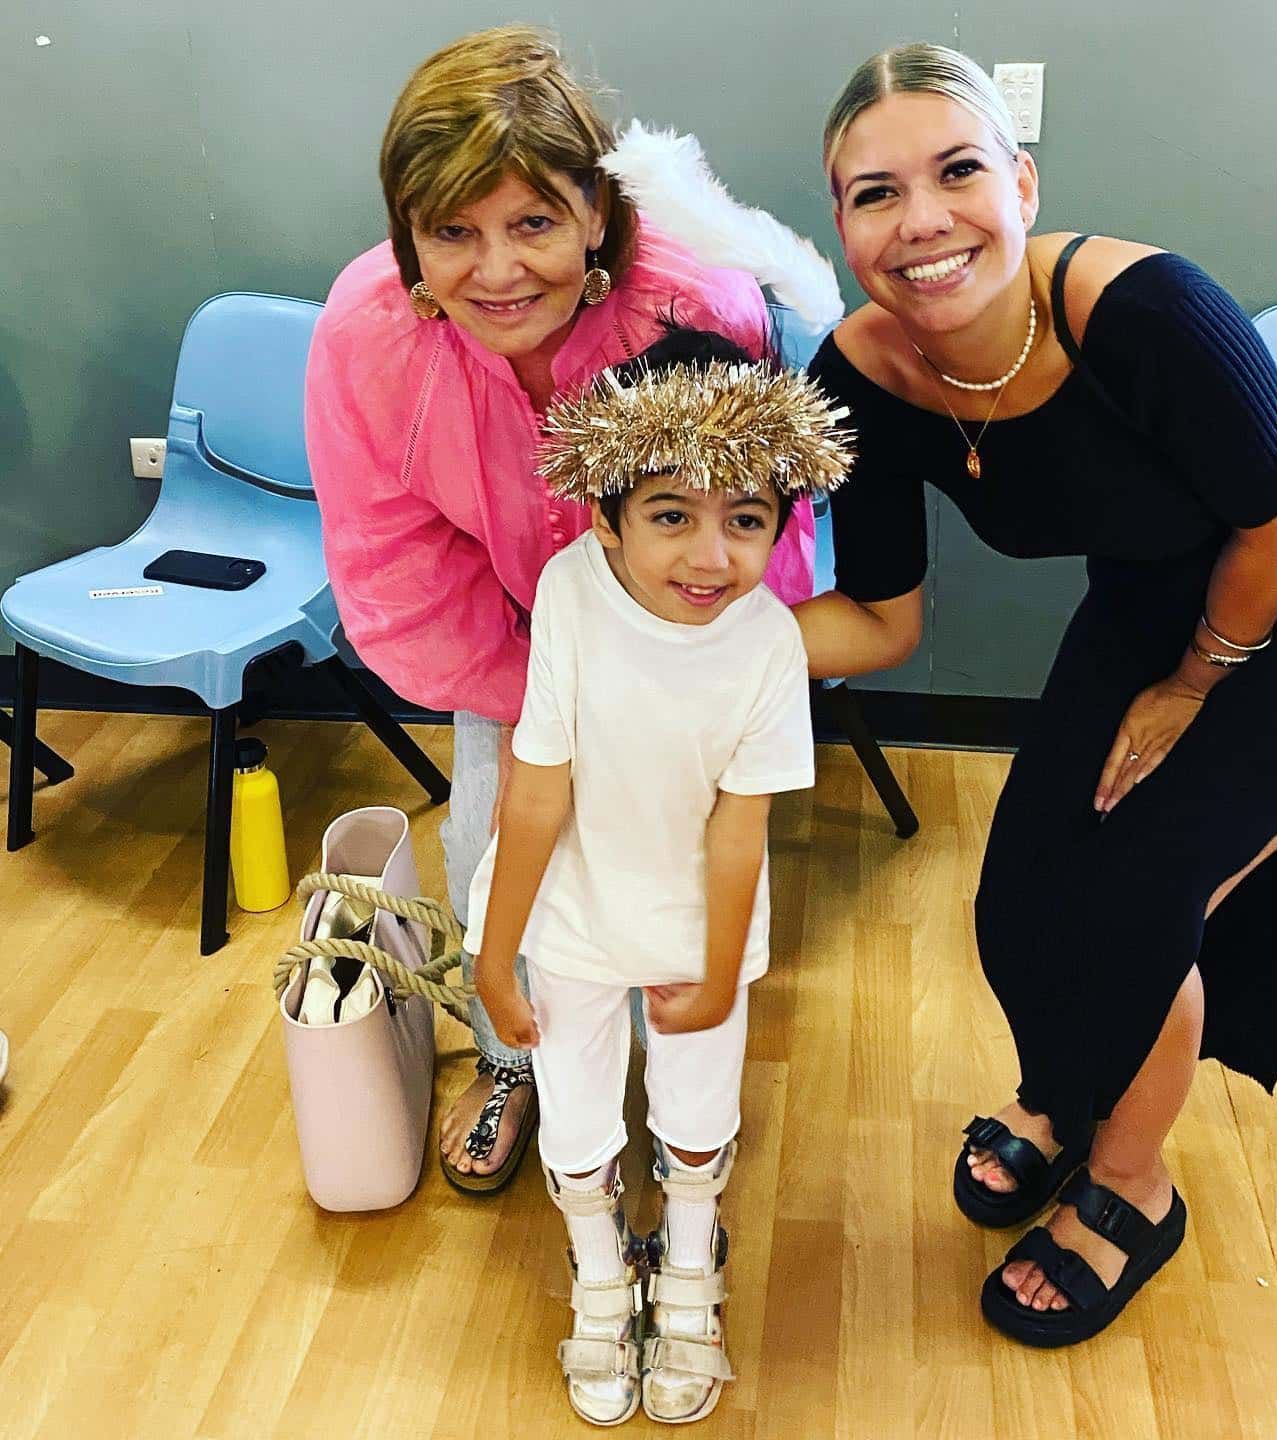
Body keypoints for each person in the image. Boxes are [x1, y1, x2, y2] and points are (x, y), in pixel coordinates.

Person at [798, 42, 1277, 1346]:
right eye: (875, 193)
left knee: (1144, 884)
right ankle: (1069, 1093)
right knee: (1029, 878)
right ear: (842, 222)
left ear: (1021, 184)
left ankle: (1132, 1185)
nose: (921, 220)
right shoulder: (856, 378)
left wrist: (1199, 682)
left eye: (958, 170)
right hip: (1165, 578)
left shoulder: (1143, 310)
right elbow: (881, 619)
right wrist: (664, 638)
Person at [304, 26, 814, 1194]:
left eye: (532, 222)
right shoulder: (367, 341)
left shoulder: (697, 314)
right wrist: (553, 714)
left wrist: (657, 694)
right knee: (494, 836)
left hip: (680, 648)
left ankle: (666, 1066)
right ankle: (515, 1062)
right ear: (409, 236)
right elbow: (397, 559)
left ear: (595, 210)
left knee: (677, 862)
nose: (497, 271)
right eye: (453, 234)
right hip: (509, 647)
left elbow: (747, 534)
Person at [463, 327, 850, 1424]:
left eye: (746, 522)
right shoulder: (570, 595)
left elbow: (742, 828)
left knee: (694, 1112)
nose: (708, 557)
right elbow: (536, 786)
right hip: (571, 916)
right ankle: (597, 1273)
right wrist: (498, 960)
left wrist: (723, 975)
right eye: (671, 514)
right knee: (579, 1112)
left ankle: (688, 1266)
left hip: (697, 922)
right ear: (606, 514)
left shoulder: (770, 640)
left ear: (779, 526)